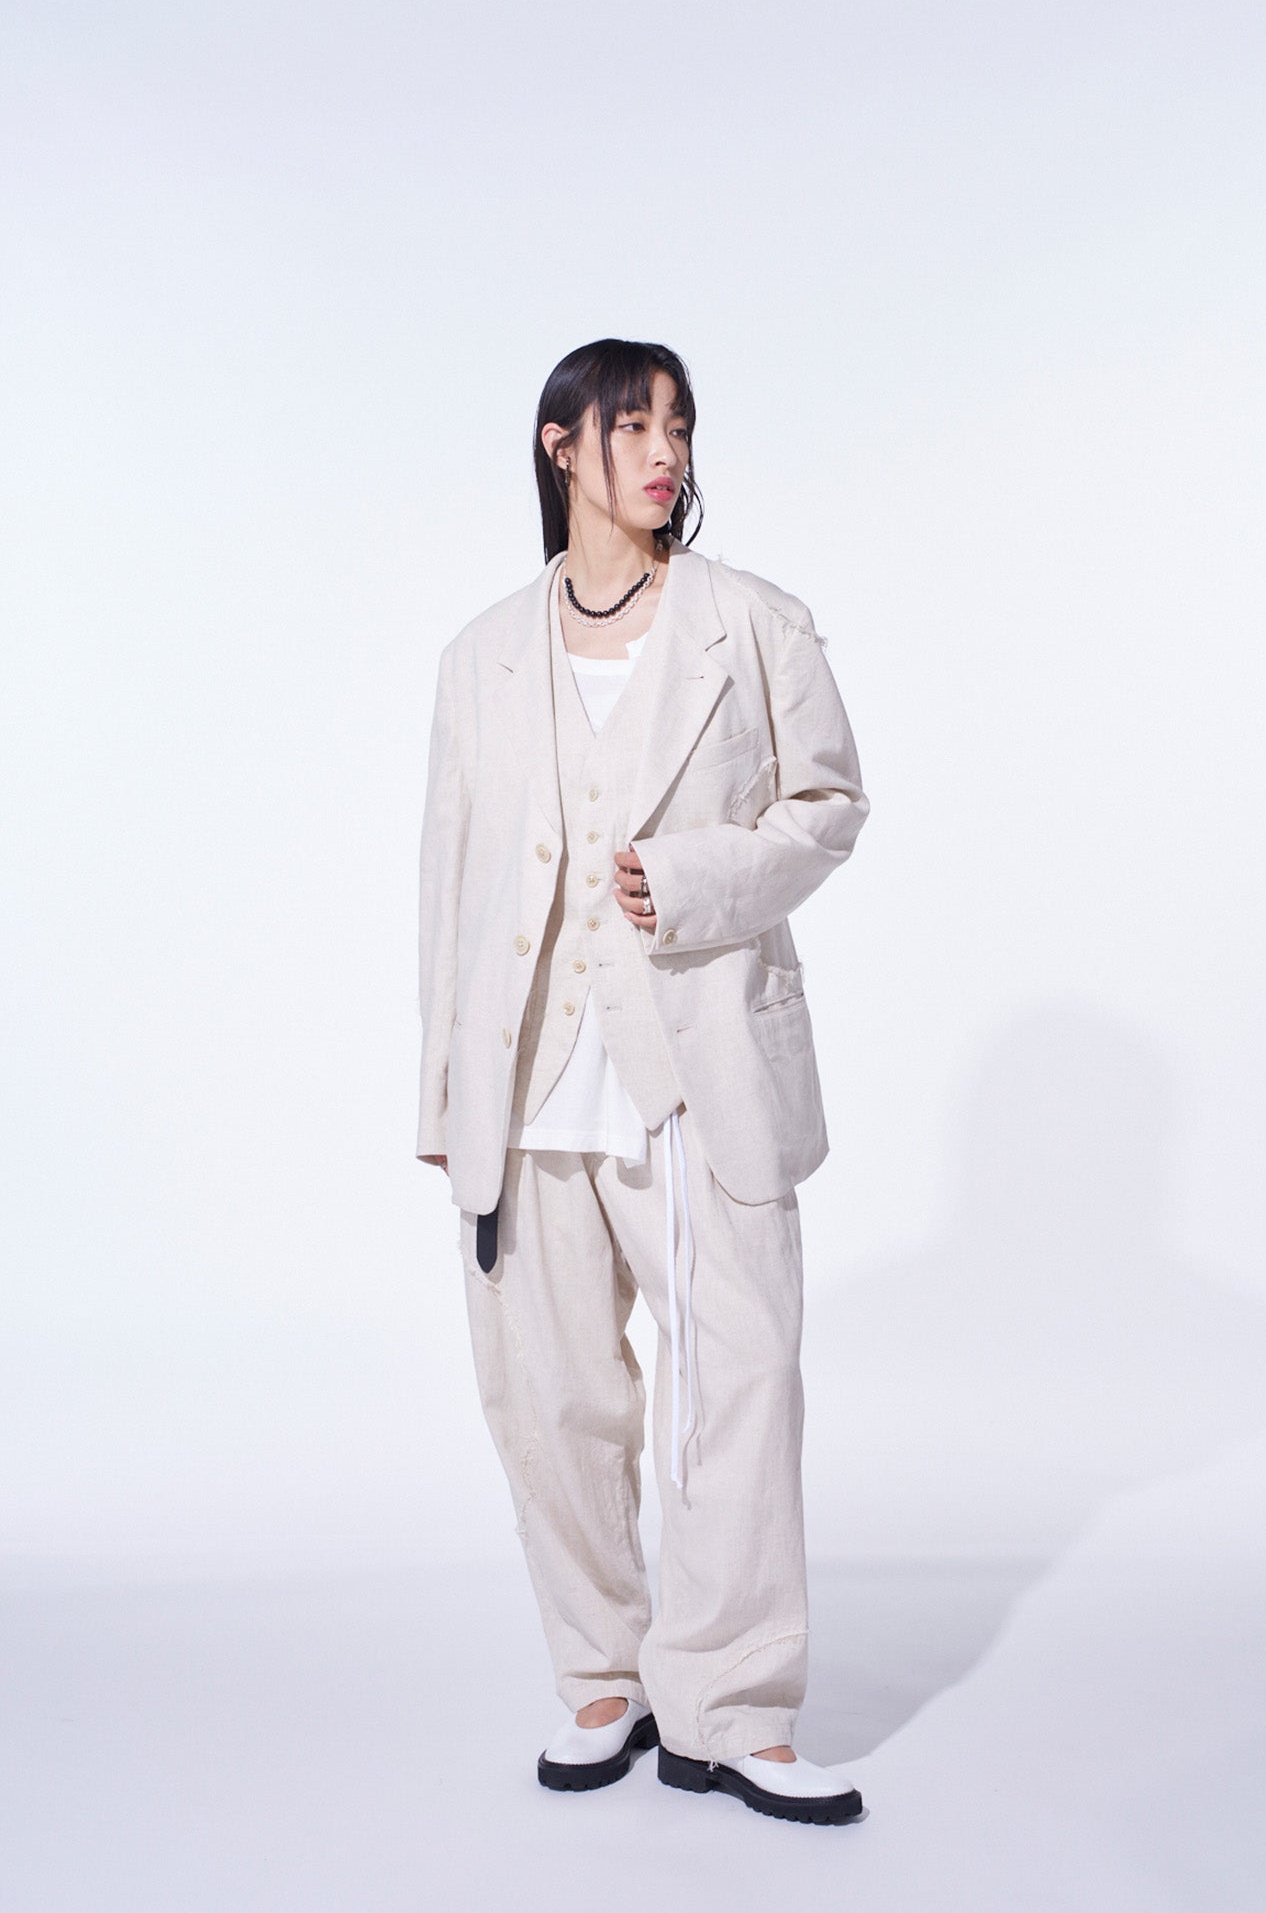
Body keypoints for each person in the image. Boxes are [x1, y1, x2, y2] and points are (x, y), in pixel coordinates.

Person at [416, 338, 870, 1826]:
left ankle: (729, 1703)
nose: (666, 451)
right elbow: (450, 886)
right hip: (530, 1084)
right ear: (562, 446)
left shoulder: (756, 622)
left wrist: (695, 877)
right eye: (633, 425)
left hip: (704, 1066)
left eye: (680, 424)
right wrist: (444, 1101)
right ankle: (602, 1675)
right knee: (552, 1400)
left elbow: (828, 805)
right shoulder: (481, 654)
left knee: (739, 1384)